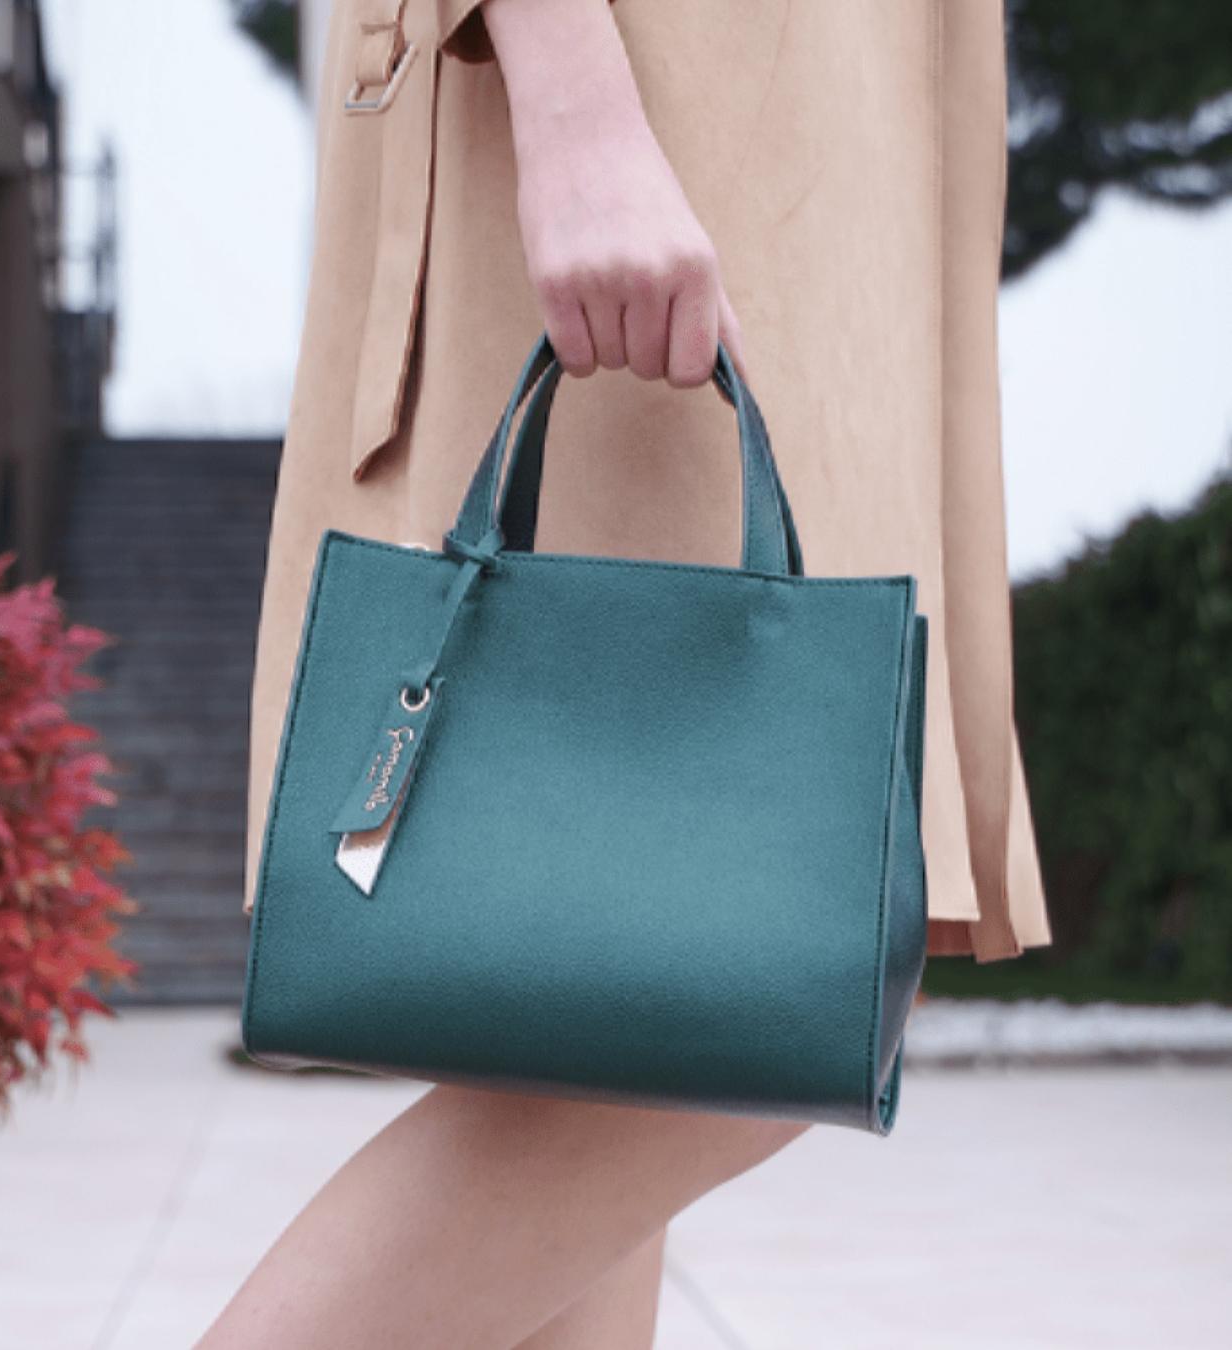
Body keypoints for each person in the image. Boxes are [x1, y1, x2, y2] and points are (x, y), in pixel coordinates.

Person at [203, 0, 1053, 1343]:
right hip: (673, 90)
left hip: (838, 135)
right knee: (771, 945)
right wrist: (575, 103)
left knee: (630, 977)